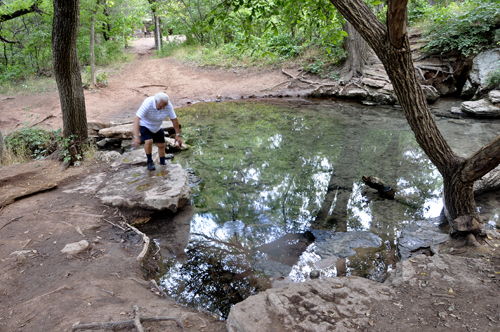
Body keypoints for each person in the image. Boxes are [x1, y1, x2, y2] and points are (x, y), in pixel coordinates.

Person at [132, 92, 182, 171]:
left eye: (164, 106)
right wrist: (136, 136)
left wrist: (177, 135)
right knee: (149, 141)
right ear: (156, 101)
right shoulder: (148, 102)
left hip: (157, 126)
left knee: (161, 145)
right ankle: (149, 161)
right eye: (161, 106)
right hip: (145, 125)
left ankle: (162, 163)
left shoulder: (167, 105)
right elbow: (137, 118)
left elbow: (174, 120)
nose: (163, 108)